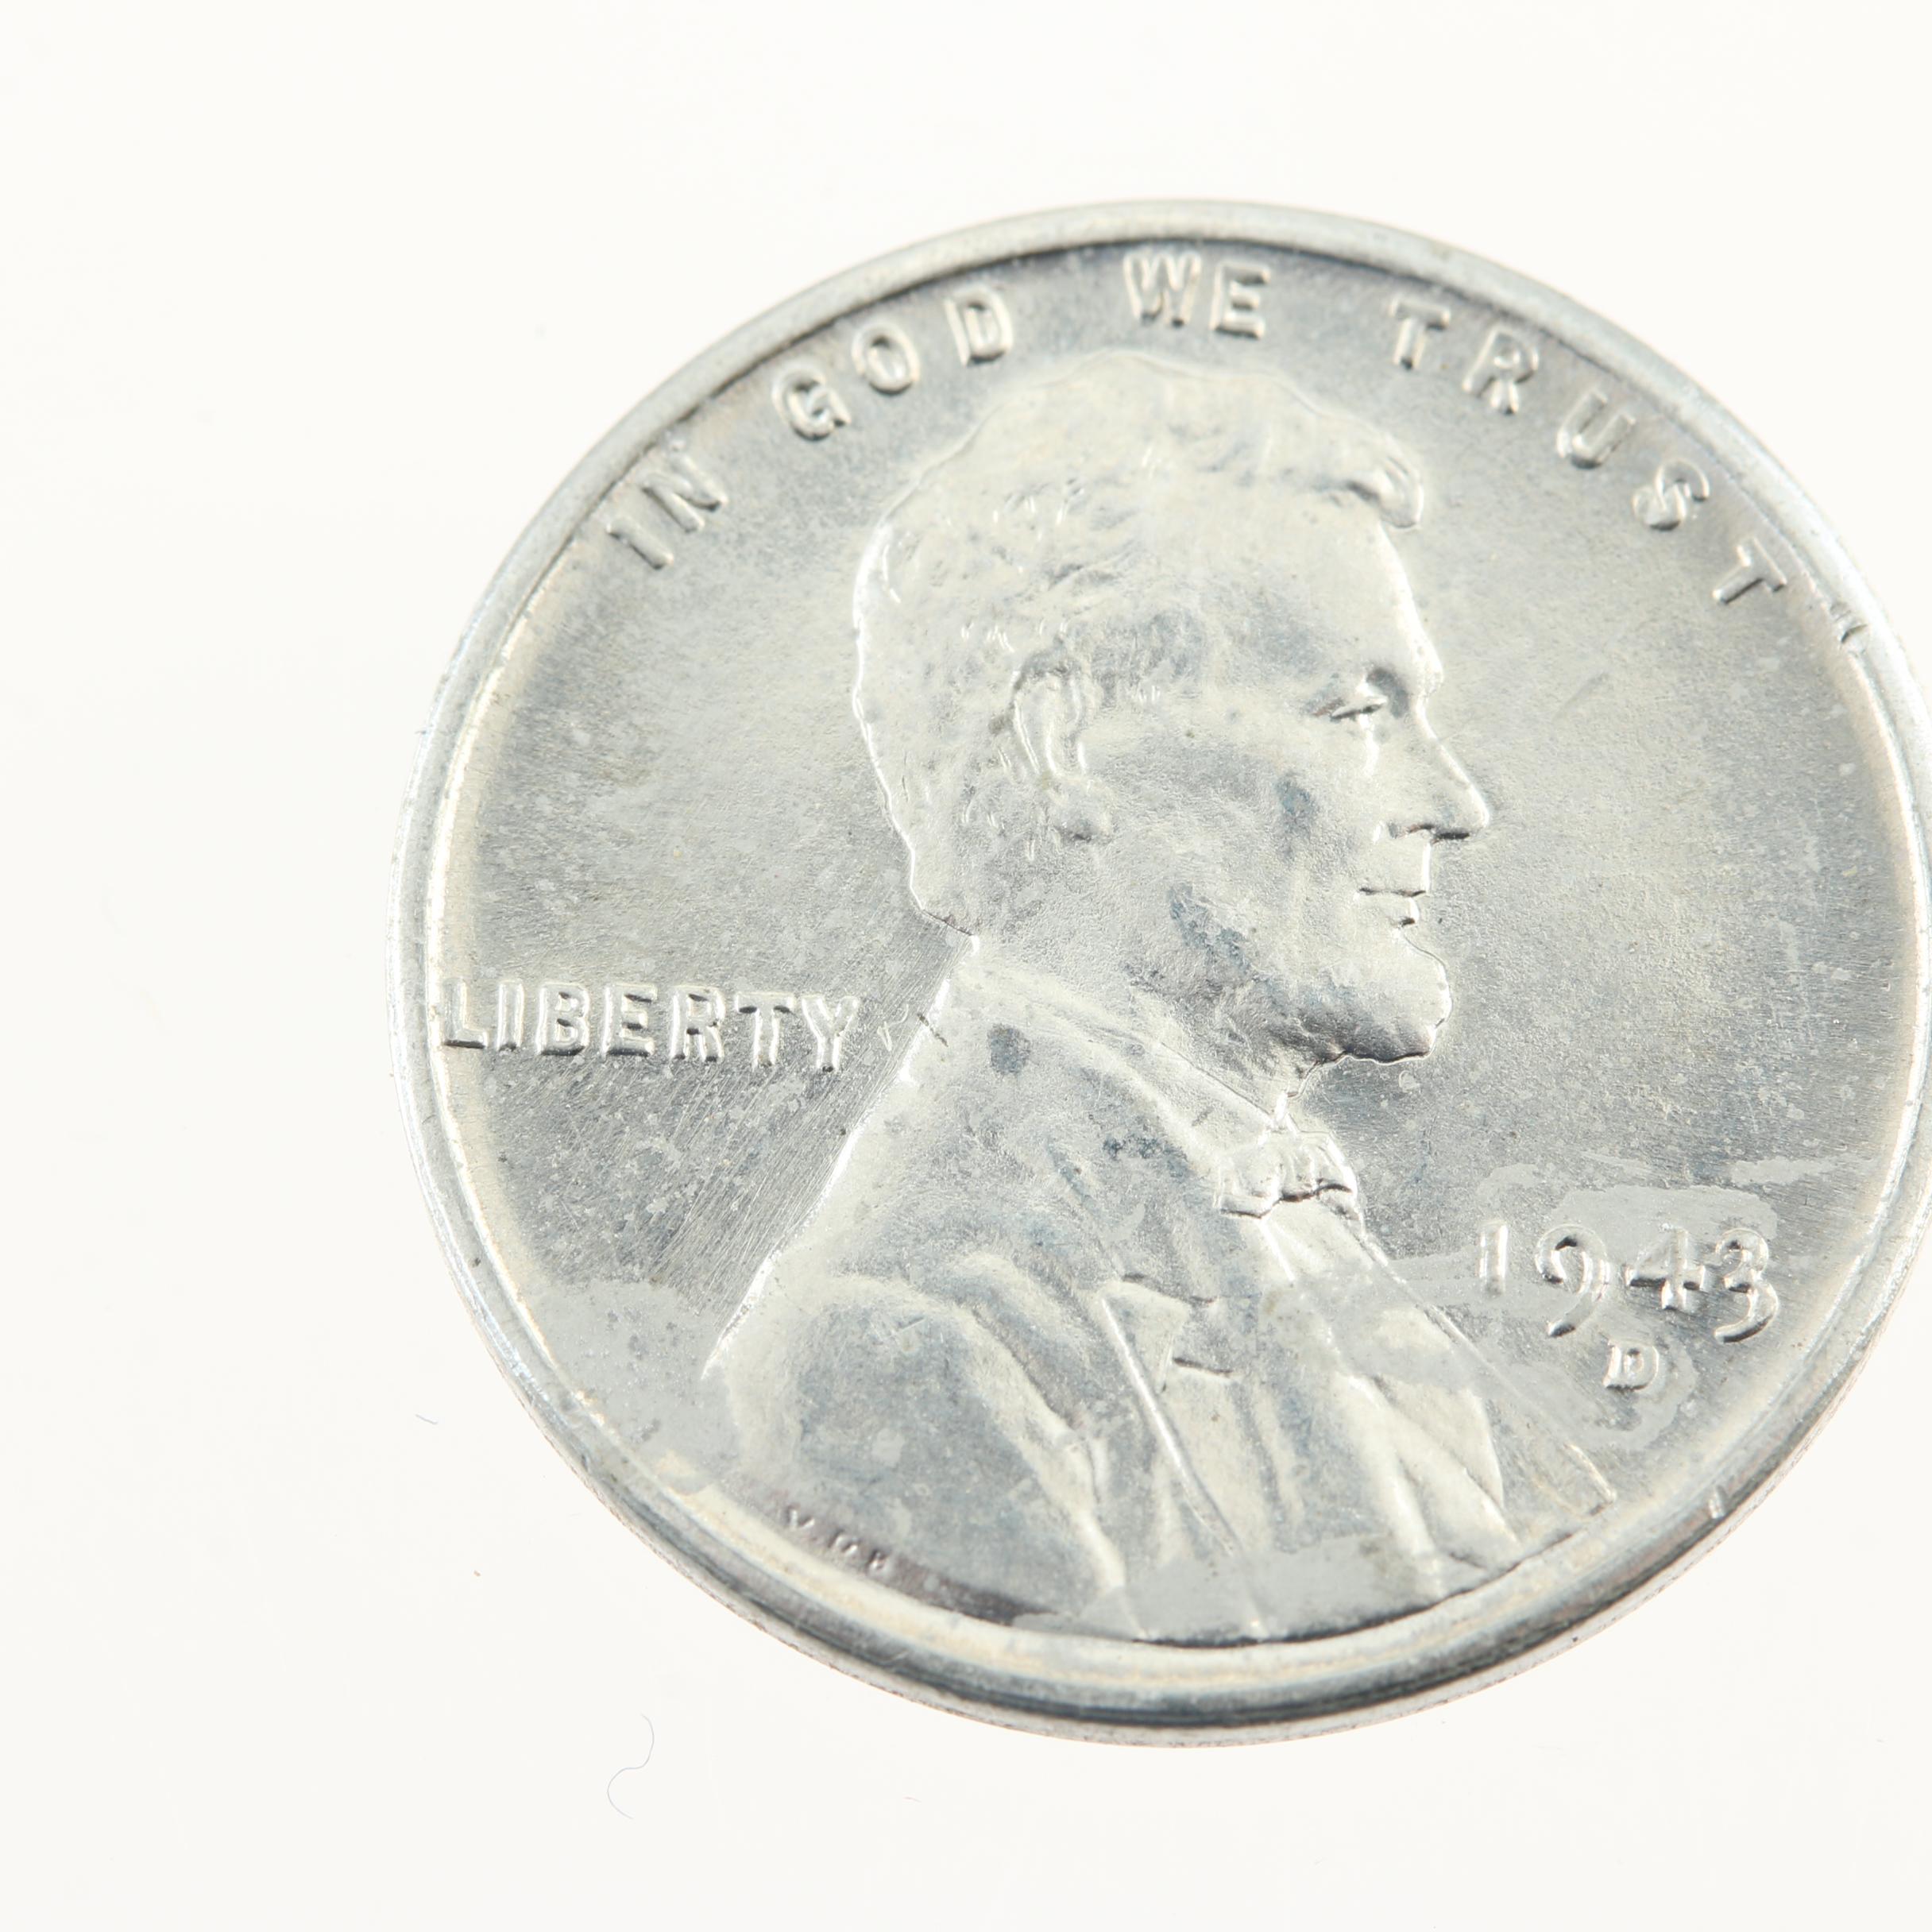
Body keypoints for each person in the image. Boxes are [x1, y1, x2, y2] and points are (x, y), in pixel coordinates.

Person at [712, 351, 1608, 1643]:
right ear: (1064, 743)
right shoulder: (911, 1347)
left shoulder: (1272, 1211)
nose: (1454, 804)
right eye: (1360, 708)